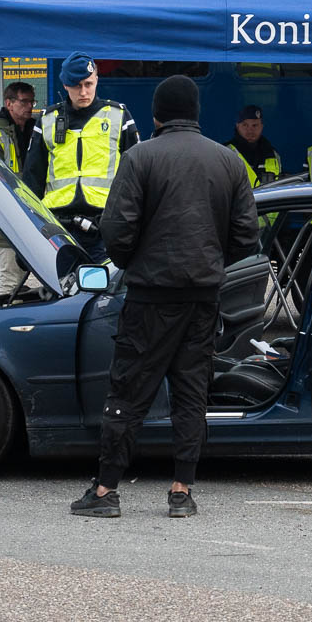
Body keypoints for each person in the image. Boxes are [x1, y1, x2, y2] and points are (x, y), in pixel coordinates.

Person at [72, 75, 258, 520]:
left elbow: (117, 231)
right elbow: (246, 235)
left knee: (129, 390)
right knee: (192, 390)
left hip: (150, 295)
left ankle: (105, 490)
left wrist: (138, 261)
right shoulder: (228, 162)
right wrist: (210, 262)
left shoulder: (139, 158)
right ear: (195, 113)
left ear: (156, 115)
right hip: (203, 295)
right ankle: (182, 490)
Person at [26, 53, 139, 263]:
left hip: (103, 226)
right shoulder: (47, 120)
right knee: (62, 291)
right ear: (65, 85)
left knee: (104, 292)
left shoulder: (118, 115)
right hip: (59, 225)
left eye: (88, 83)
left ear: (96, 79)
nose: (84, 92)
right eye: (76, 85)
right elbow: (32, 178)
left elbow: (136, 177)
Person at [0, 80, 39, 299]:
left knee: (26, 281)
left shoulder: (33, 129)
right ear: (9, 103)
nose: (30, 107)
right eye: (24, 102)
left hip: (29, 216)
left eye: (32, 101)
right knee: (9, 281)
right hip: (5, 218)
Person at [224, 104, 281, 188]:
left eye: (255, 125)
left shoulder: (273, 154)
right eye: (245, 125)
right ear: (237, 126)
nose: (250, 130)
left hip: (268, 200)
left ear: (261, 127)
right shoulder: (225, 152)